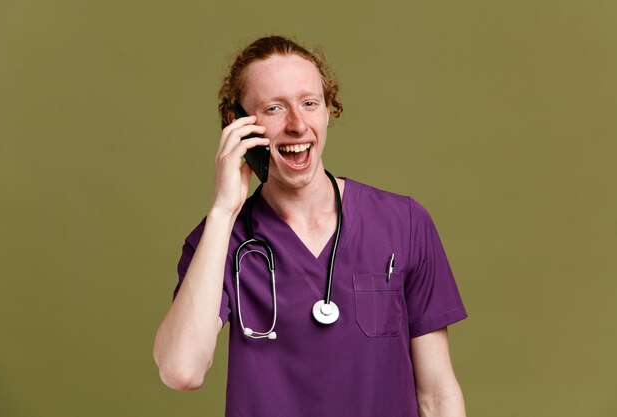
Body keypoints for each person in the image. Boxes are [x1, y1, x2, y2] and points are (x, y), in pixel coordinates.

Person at [153, 35, 468, 417]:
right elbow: (180, 370)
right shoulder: (220, 241)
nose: (297, 125)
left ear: (327, 110)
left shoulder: (404, 223)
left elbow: (436, 396)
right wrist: (223, 210)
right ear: (238, 125)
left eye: (309, 103)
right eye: (273, 108)